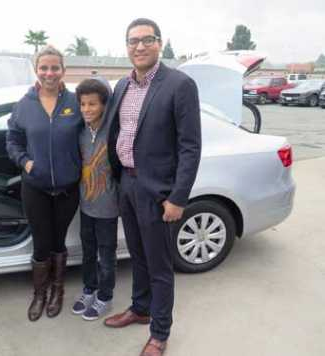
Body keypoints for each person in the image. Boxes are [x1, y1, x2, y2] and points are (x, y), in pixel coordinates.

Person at [104, 18, 202, 356]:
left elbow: (190, 146)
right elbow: (116, 133)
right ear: (127, 47)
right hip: (127, 185)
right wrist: (117, 181)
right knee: (137, 256)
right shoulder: (122, 86)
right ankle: (140, 308)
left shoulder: (179, 85)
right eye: (133, 41)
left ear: (159, 43)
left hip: (158, 192)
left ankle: (159, 333)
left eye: (147, 40)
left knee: (160, 266)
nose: (140, 46)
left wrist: (178, 197)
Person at [6, 45, 83, 322]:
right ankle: (40, 293)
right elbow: (12, 139)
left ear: (63, 70)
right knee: (41, 243)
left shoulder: (75, 103)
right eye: (44, 68)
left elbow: (91, 135)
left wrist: (81, 166)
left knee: (58, 241)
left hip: (67, 188)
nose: (49, 73)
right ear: (36, 70)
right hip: (35, 187)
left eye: (55, 68)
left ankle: (58, 290)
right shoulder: (24, 105)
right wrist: (25, 162)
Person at [71, 78, 119, 321]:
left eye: (92, 104)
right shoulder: (80, 132)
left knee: (106, 255)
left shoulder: (112, 132)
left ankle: (105, 297)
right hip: (86, 205)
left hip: (108, 208)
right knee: (88, 252)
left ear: (104, 105)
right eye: (83, 104)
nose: (87, 109)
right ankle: (89, 289)